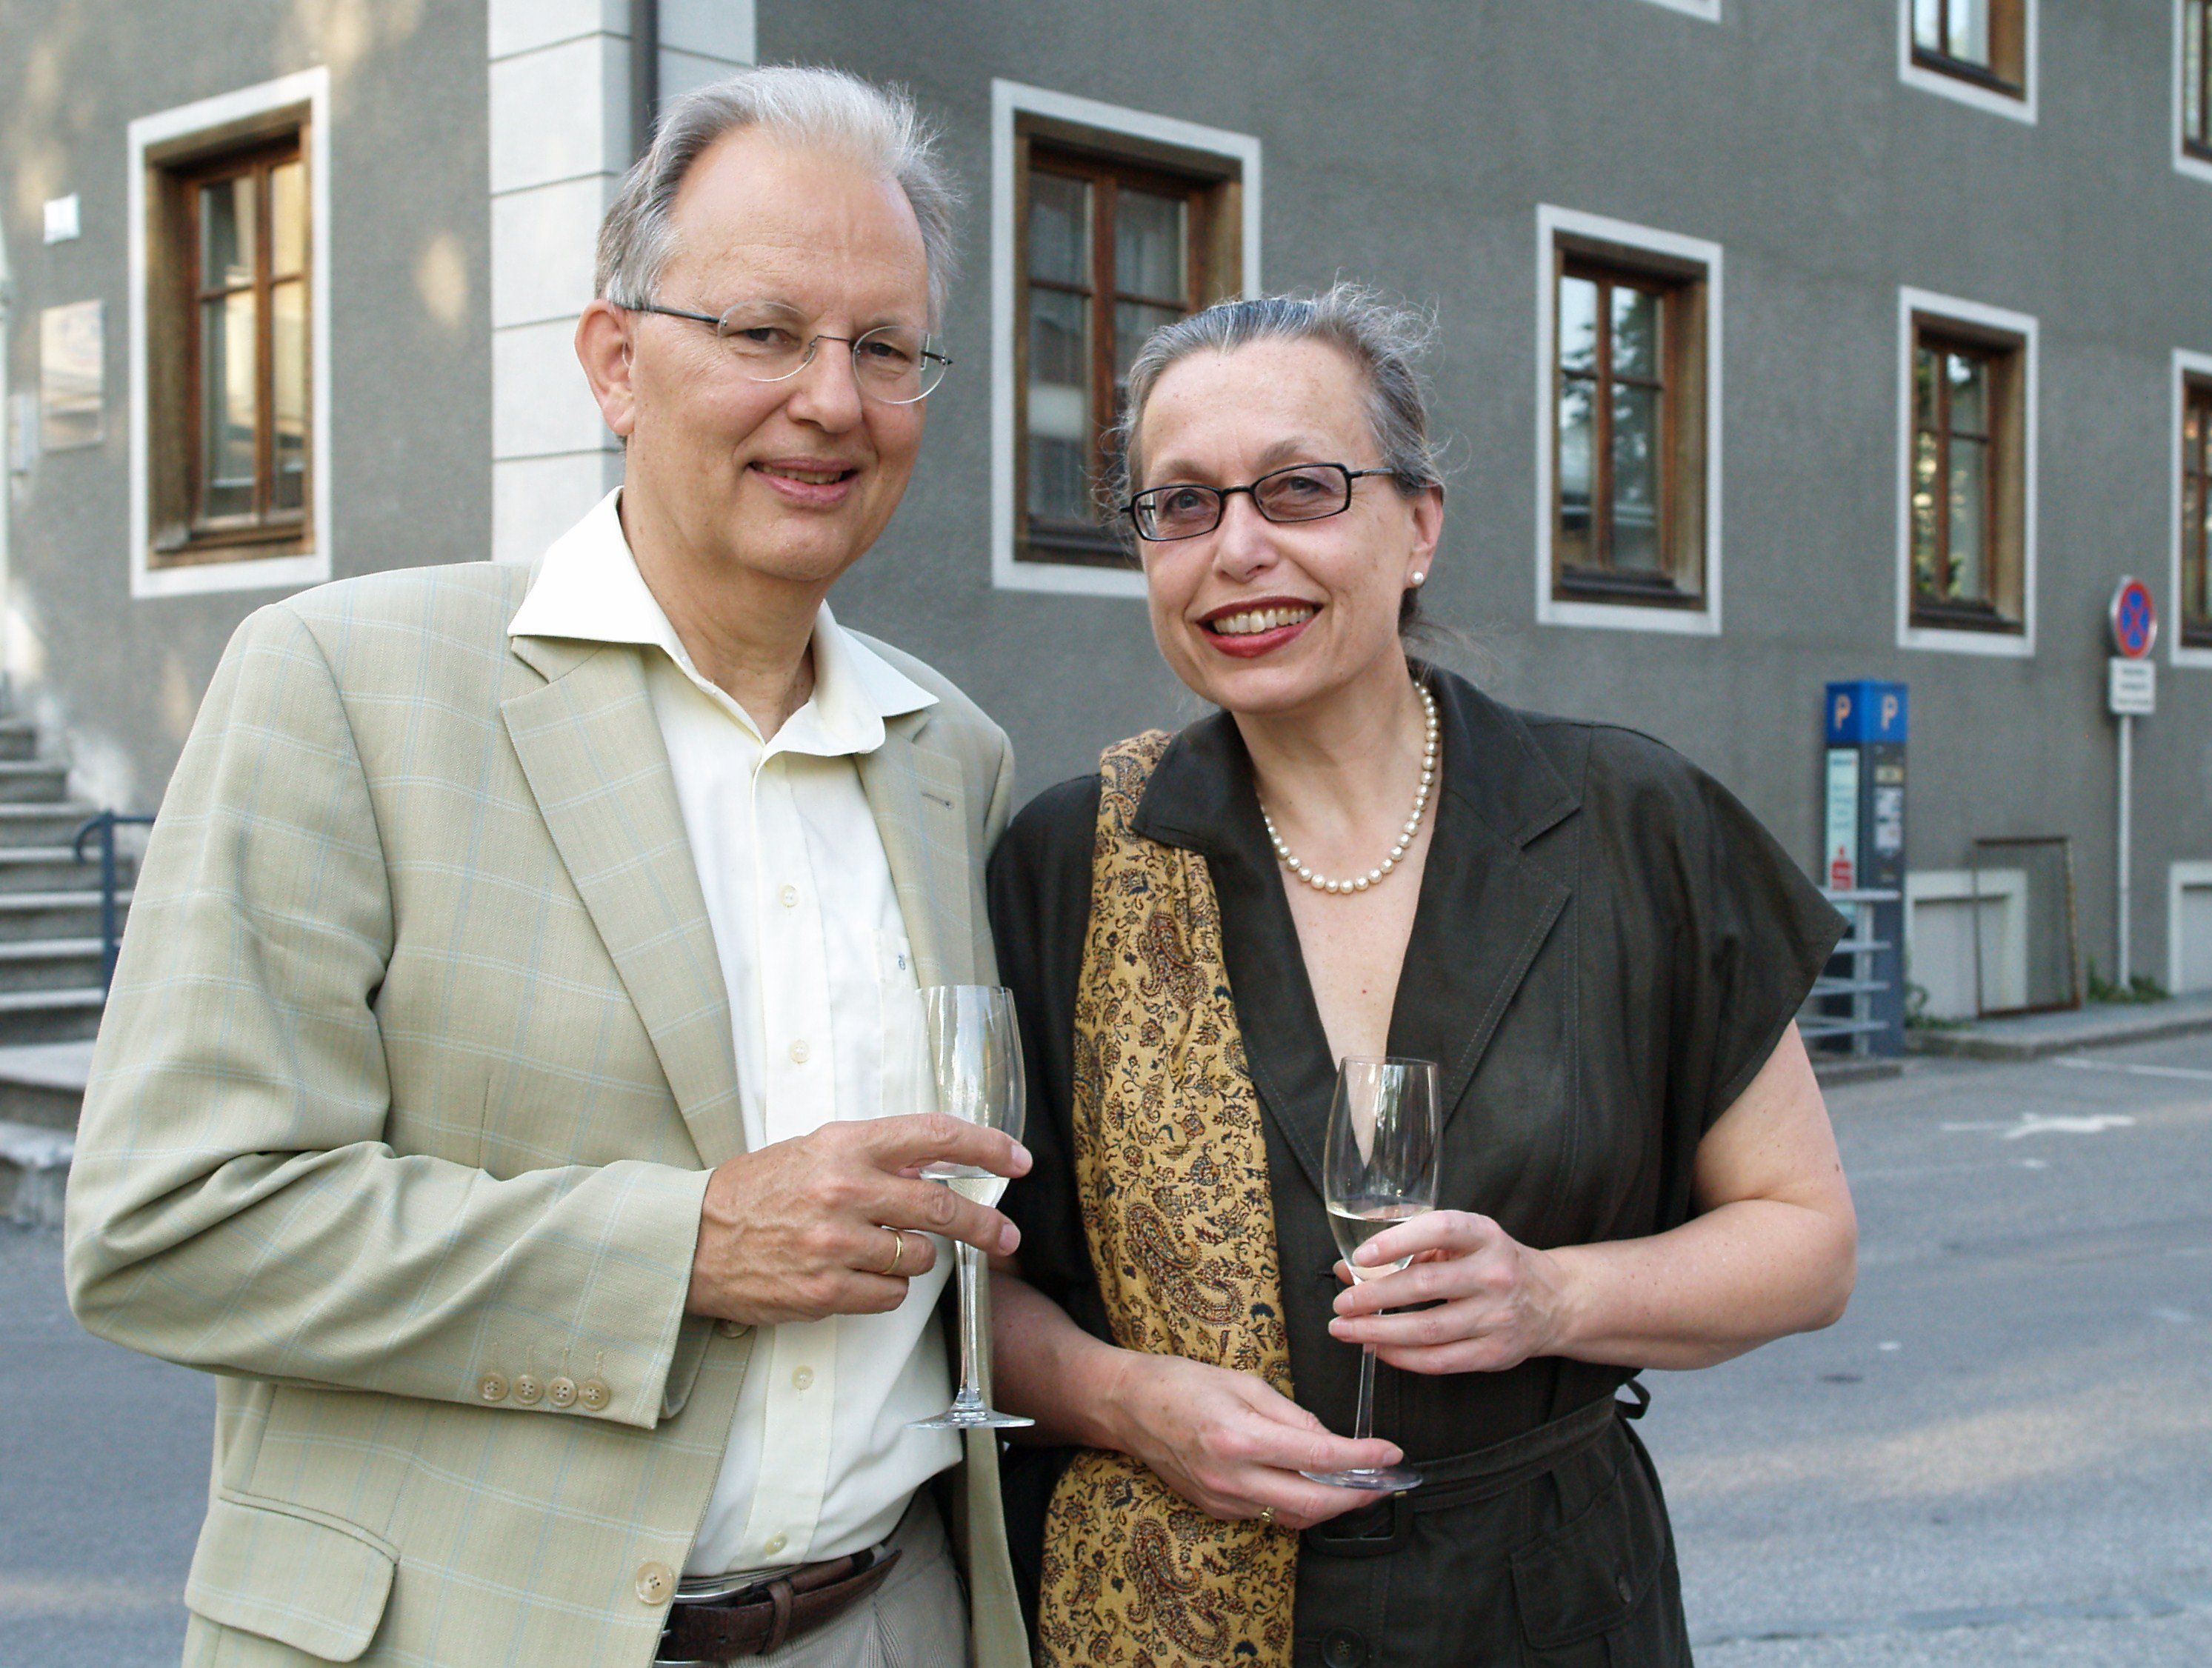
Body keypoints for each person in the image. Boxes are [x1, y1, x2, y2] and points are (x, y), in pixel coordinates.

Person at [64, 67, 1032, 1668]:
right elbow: (167, 1228)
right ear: (615, 362)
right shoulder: (348, 683)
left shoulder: (954, 759)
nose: (833, 401)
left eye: (885, 349)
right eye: (764, 330)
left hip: (890, 1620)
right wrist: (686, 1246)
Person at [987, 285, 1859, 1666]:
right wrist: (1124, 1402)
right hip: (1165, 1607)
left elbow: (1806, 1244)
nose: (1239, 550)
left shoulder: (1627, 823)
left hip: (1544, 1610)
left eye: (1300, 488)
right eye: (1183, 505)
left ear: (1419, 526)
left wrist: (1554, 1298)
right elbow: (972, 1286)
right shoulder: (1074, 860)